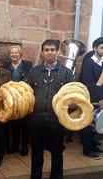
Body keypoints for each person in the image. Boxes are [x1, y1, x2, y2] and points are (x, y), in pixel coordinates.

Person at [25, 39, 74, 179]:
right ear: (42, 52)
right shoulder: (34, 72)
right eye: (46, 50)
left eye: (52, 50)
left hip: (57, 119)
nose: (49, 53)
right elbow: (26, 92)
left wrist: (72, 104)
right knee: (36, 153)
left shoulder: (66, 73)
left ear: (58, 52)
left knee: (57, 153)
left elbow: (73, 94)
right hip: (36, 119)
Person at [4, 44, 33, 156]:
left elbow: (30, 79)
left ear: (20, 54)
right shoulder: (6, 66)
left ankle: (24, 146)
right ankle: (15, 146)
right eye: (12, 53)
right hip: (11, 98)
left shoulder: (27, 64)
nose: (14, 54)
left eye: (16, 52)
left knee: (25, 124)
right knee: (14, 123)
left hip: (24, 97)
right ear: (9, 55)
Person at [79, 37, 103, 157]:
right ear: (95, 48)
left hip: (100, 98)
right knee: (88, 124)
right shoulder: (89, 63)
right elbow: (89, 84)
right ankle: (87, 149)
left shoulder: (101, 62)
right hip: (91, 98)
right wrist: (99, 99)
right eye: (102, 47)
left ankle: (93, 145)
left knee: (95, 124)